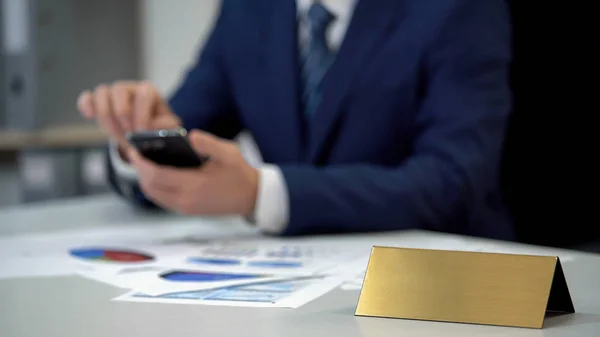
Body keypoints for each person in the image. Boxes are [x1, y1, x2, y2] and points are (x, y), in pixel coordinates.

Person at [77, 0, 515, 240]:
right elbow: (189, 129)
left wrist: (261, 194)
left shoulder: (458, 8)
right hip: (294, 291)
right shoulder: (251, 11)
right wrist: (139, 140)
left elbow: (454, 181)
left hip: (441, 284)